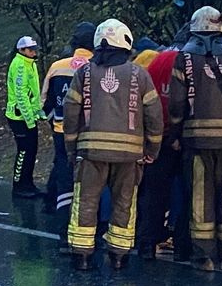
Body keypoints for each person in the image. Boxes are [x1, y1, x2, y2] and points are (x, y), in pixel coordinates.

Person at [63, 19, 164, 270]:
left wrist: (71, 147)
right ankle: (119, 256)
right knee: (124, 203)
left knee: (85, 201)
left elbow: (70, 111)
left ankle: (82, 256)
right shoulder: (139, 74)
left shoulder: (84, 73)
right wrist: (152, 149)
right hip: (129, 155)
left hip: (90, 152)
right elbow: (154, 114)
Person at [168, 6, 222, 272]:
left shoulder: (182, 59)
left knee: (200, 199)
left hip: (196, 142)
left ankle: (203, 257)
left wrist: (175, 133)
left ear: (194, 30)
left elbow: (176, 104)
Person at [137, 25, 190, 261]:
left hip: (156, 135)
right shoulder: (188, 61)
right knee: (188, 192)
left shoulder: (157, 61)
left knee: (154, 193)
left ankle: (147, 244)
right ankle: (182, 245)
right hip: (182, 135)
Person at [40, 22, 95, 239]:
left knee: (64, 175)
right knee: (90, 180)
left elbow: (45, 102)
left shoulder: (57, 66)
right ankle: (88, 230)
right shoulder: (98, 66)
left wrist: (56, 122)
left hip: (61, 132)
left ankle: (63, 230)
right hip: (89, 133)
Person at [6, 36, 43, 198]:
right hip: (19, 117)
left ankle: (28, 183)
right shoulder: (20, 64)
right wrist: (30, 120)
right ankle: (19, 185)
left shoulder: (30, 63)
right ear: (21, 50)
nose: (34, 52)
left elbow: (33, 92)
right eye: (30, 49)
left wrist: (37, 113)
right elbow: (21, 95)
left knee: (31, 151)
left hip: (29, 116)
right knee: (23, 151)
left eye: (34, 49)